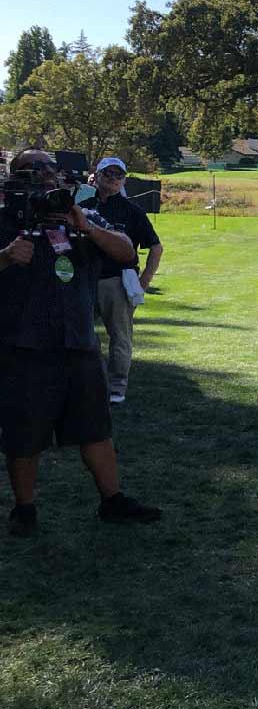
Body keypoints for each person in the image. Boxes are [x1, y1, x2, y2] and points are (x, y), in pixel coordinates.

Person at [0, 148, 161, 537]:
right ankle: (25, 509)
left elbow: (126, 252)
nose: (43, 176)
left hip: (78, 342)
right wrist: (3, 257)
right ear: (15, 177)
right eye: (31, 169)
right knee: (24, 433)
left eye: (48, 168)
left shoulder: (81, 215)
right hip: (24, 344)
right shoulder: (5, 219)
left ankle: (112, 500)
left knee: (94, 427)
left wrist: (88, 228)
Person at [79, 157, 163, 404]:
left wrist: (145, 280)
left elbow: (156, 247)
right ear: (97, 175)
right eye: (108, 173)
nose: (113, 179)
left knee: (120, 338)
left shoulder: (131, 211)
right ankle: (82, 382)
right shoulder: (82, 205)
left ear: (124, 179)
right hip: (84, 280)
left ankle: (117, 388)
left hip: (116, 282)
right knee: (80, 333)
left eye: (118, 175)